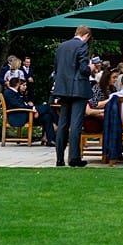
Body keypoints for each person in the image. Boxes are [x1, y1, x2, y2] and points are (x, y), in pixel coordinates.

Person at [52, 25, 93, 167]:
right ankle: (74, 157)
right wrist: (91, 68)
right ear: (86, 35)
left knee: (63, 123)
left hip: (63, 88)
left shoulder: (61, 46)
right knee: (76, 124)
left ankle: (59, 158)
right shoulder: (82, 46)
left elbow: (56, 68)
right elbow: (83, 69)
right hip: (78, 90)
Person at [3, 77, 57, 146]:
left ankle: (51, 140)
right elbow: (19, 105)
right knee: (47, 107)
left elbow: (24, 103)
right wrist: (33, 109)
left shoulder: (17, 93)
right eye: (20, 84)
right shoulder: (9, 92)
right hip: (18, 116)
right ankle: (60, 125)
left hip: (26, 114)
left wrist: (31, 108)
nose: (23, 86)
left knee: (47, 116)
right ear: (17, 84)